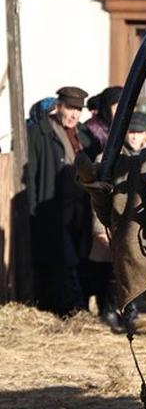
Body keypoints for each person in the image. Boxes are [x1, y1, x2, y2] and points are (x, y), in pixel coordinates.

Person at [26, 86, 94, 315]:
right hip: (51, 209)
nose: (75, 115)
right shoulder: (40, 133)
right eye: (70, 108)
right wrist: (33, 213)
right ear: (59, 107)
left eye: (78, 110)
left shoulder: (84, 136)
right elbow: (31, 177)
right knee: (62, 261)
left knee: (78, 258)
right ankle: (69, 309)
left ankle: (72, 308)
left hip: (79, 210)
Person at [88, 111, 146, 331]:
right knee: (113, 269)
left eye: (139, 133)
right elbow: (98, 196)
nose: (134, 137)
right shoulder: (108, 158)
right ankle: (110, 311)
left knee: (133, 271)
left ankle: (130, 312)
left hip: (140, 224)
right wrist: (99, 227)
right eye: (131, 132)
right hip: (114, 221)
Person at [82, 86, 122, 158]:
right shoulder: (91, 129)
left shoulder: (120, 127)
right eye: (116, 108)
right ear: (106, 109)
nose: (120, 113)